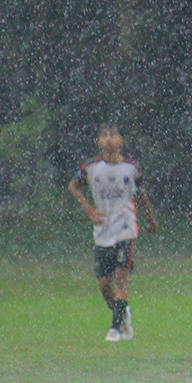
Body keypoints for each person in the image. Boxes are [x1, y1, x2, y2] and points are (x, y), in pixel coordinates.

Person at [68, 123, 159, 342]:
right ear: (99, 141)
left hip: (126, 228)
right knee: (104, 284)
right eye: (104, 135)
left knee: (121, 277)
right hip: (102, 230)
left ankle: (115, 329)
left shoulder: (131, 168)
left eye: (113, 135)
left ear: (121, 141)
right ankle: (122, 312)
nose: (109, 140)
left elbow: (141, 195)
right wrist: (87, 207)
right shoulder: (90, 168)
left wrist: (151, 219)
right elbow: (73, 186)